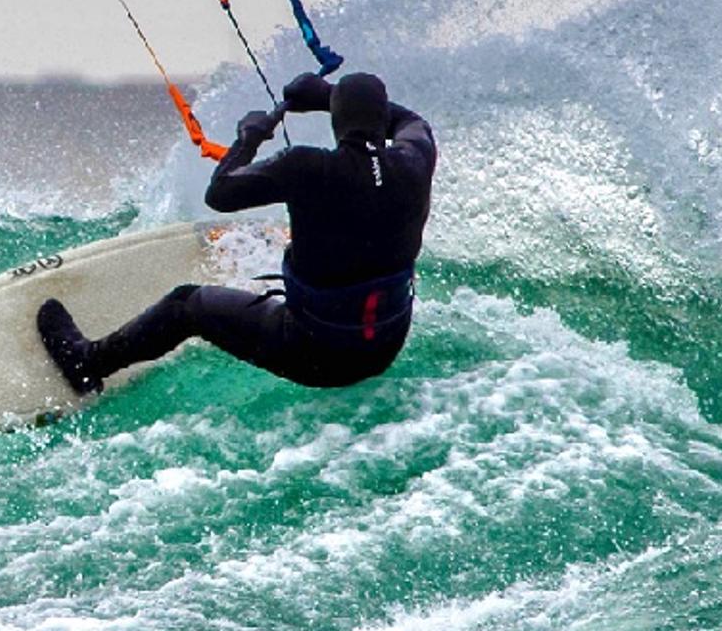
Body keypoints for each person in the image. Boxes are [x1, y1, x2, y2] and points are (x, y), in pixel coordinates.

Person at [35, 70, 436, 394]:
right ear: (382, 122)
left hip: (317, 354)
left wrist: (249, 139)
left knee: (186, 305)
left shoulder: (309, 168)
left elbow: (221, 193)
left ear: (335, 121)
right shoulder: (415, 161)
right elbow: (414, 122)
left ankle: (87, 363)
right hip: (384, 345)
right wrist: (327, 94)